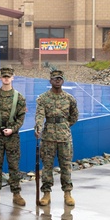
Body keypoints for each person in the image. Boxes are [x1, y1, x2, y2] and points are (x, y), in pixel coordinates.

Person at [35, 69, 79, 206]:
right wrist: (38, 126)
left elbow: (74, 116)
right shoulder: (43, 98)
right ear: (50, 81)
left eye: (60, 78)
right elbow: (40, 115)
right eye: (55, 79)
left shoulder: (69, 99)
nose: (57, 81)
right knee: (47, 167)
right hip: (48, 137)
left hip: (64, 138)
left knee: (66, 166)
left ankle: (67, 193)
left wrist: (64, 126)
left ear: (63, 81)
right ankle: (46, 194)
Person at [0, 66, 27, 205]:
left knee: (14, 166)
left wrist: (13, 129)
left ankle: (16, 194)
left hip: (12, 137)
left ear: (12, 78)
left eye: (8, 76)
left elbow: (21, 118)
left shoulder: (19, 97)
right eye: (3, 76)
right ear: (0, 78)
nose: (6, 78)